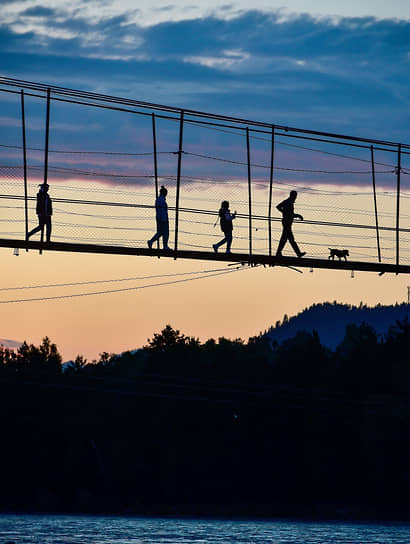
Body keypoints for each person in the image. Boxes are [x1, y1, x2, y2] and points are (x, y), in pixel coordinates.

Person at [276, 190, 305, 257]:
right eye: (295, 196)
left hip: (287, 222)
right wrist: (284, 212)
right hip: (286, 222)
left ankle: (278, 253)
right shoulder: (288, 202)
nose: (295, 197)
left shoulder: (289, 202)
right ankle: (298, 253)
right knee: (290, 239)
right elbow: (279, 207)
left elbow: (290, 214)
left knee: (284, 239)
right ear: (293, 196)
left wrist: (296, 215)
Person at [147, 185, 170, 250]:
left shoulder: (159, 199)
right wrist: (163, 219)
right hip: (163, 219)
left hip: (160, 218)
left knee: (160, 232)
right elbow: (161, 210)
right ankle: (165, 246)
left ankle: (151, 241)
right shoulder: (161, 200)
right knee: (165, 232)